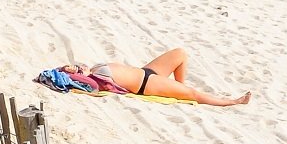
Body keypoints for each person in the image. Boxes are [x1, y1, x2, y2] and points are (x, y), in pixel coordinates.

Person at [59, 49, 250, 107]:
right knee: (193, 94)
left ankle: (177, 88)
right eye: (77, 67)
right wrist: (70, 73)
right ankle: (233, 102)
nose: (80, 65)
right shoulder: (94, 79)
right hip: (146, 85)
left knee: (180, 54)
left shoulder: (94, 69)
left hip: (148, 73)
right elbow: (81, 85)